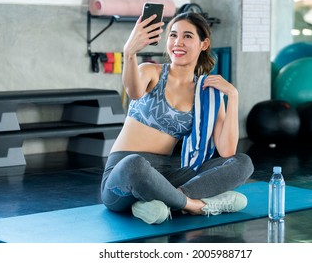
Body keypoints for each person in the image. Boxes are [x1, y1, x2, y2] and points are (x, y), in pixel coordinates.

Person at [100, 11, 254, 225]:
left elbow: (227, 151)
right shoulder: (150, 72)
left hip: (165, 175)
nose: (177, 42)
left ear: (204, 43)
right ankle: (194, 206)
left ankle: (162, 200)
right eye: (173, 35)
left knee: (243, 163)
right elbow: (133, 91)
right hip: (123, 175)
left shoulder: (206, 93)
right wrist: (129, 52)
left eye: (187, 36)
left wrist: (233, 97)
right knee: (133, 164)